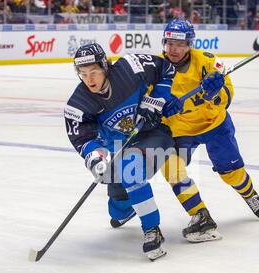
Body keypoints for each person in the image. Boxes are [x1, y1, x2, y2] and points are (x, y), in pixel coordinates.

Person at [158, 19, 259, 242]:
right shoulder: (156, 68)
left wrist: (213, 94)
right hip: (181, 131)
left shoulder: (207, 62)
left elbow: (227, 96)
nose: (174, 49)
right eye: (170, 43)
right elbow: (147, 101)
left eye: (180, 44)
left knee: (232, 174)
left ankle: (249, 194)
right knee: (170, 167)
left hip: (214, 125)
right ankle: (199, 214)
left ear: (189, 44)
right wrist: (161, 106)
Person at [64, 42, 176, 261]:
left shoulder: (131, 67)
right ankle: (125, 209)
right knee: (117, 207)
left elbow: (166, 69)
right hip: (117, 148)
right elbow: (83, 138)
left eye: (94, 71)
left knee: (129, 168)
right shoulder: (78, 104)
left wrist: (158, 99)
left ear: (106, 66)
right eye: (84, 74)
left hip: (152, 134)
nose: (90, 79)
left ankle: (152, 230)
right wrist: (96, 157)